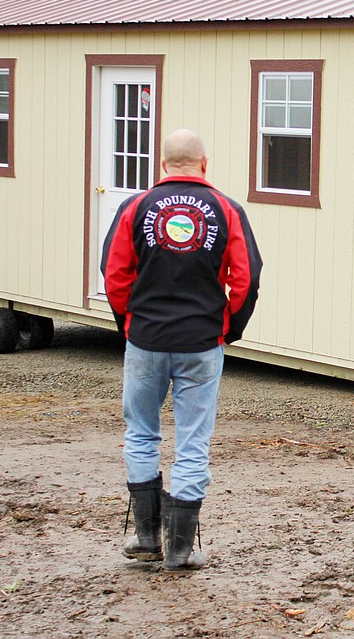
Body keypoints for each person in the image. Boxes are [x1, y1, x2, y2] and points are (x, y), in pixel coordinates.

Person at [102, 129, 262, 572]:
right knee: (192, 441)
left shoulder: (135, 207)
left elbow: (113, 273)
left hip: (146, 340)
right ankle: (179, 550)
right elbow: (247, 276)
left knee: (140, 433)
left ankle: (146, 537)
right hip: (201, 342)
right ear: (204, 164)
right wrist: (228, 326)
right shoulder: (227, 209)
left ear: (163, 164)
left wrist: (128, 324)